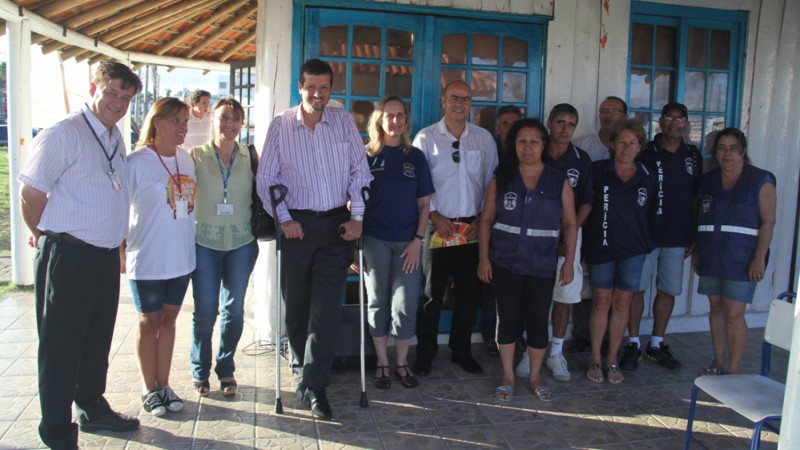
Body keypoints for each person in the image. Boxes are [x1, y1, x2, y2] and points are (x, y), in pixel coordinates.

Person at [19, 61, 142, 449]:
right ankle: (57, 431)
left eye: (126, 98)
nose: (118, 103)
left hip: (103, 257)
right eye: (112, 93)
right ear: (94, 87)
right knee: (60, 347)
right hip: (68, 256)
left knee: (95, 341)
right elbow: (31, 194)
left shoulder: (113, 136)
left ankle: (92, 408)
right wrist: (44, 235)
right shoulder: (63, 134)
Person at [257, 59, 372, 421]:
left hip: (337, 225)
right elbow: (267, 178)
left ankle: (316, 384)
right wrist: (286, 219)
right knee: (297, 309)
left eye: (324, 88)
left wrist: (357, 219)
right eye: (311, 88)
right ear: (300, 87)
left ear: (330, 89)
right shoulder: (281, 126)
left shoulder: (343, 123)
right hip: (298, 227)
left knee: (326, 310)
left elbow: (360, 171)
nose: (318, 94)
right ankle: (301, 368)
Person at [478, 118, 577, 402]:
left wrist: (568, 261)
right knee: (506, 318)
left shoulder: (558, 180)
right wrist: (484, 258)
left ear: (543, 145)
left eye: (534, 141)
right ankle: (508, 375)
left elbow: (570, 224)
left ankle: (535, 376)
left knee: (536, 320)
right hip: (505, 261)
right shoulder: (502, 177)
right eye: (522, 141)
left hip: (541, 263)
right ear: (515, 145)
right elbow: (486, 220)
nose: (528, 147)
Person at [413, 80, 498, 377]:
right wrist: (435, 215)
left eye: (465, 98)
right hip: (438, 228)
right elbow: (418, 185)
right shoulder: (425, 138)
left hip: (472, 229)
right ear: (443, 101)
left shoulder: (484, 139)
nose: (459, 103)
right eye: (453, 97)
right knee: (431, 294)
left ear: (471, 103)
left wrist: (481, 220)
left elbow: (492, 183)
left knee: (467, 294)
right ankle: (425, 352)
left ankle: (461, 351)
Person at [124, 97, 196, 416]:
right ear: (158, 122)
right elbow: (118, 208)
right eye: (176, 120)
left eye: (185, 121)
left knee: (168, 320)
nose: (183, 127)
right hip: (148, 256)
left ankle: (164, 384)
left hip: (180, 256)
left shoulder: (186, 159)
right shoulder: (137, 161)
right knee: (148, 321)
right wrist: (119, 250)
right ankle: (148, 388)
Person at [620, 102, 703, 372]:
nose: (674, 123)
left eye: (680, 119)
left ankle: (656, 343)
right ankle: (632, 342)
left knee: (668, 290)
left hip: (677, 236)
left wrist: (693, 232)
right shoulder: (646, 152)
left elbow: (695, 196)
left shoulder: (693, 154)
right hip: (645, 236)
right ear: (661, 121)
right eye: (669, 117)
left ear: (686, 123)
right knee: (637, 291)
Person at [516, 104, 593, 383]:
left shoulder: (580, 159)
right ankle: (531, 348)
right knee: (533, 295)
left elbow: (586, 203)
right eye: (560, 122)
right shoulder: (535, 151)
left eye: (571, 124)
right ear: (549, 122)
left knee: (563, 296)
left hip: (568, 235)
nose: (565, 128)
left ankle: (555, 352)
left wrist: (567, 235)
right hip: (534, 234)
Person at [362, 95, 434, 389]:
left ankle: (402, 362)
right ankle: (382, 362)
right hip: (374, 240)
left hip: (408, 242)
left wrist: (418, 240)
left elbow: (425, 205)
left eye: (400, 115)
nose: (395, 120)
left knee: (404, 304)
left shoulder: (414, 157)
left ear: (406, 120)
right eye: (389, 115)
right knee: (378, 302)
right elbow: (353, 202)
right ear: (379, 119)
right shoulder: (366, 155)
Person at [190, 98, 259, 397]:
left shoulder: (251, 155)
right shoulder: (195, 155)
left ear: (242, 124)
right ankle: (199, 369)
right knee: (206, 311)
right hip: (205, 243)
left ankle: (226, 367)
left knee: (234, 311)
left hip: (242, 242)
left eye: (236, 118)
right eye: (223, 117)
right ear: (212, 121)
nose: (229, 123)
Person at [693, 127, 776, 376]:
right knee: (716, 307)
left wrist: (760, 257)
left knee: (734, 312)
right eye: (722, 148)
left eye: (733, 148)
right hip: (711, 254)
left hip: (743, 257)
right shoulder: (707, 181)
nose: (727, 154)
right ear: (715, 152)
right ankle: (718, 361)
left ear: (743, 152)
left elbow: (768, 222)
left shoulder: (760, 180)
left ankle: (734, 366)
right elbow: (699, 216)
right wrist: (697, 250)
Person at [585, 119, 655, 384]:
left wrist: (646, 243)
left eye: (633, 142)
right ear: (612, 144)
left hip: (633, 251)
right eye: (622, 142)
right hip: (602, 247)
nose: (627, 147)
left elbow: (652, 214)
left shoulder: (647, 176)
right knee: (601, 302)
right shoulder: (598, 170)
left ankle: (613, 358)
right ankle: (595, 357)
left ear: (640, 147)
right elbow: (586, 205)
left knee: (623, 303)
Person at [481, 104, 523, 357]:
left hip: (521, 232)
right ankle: (490, 336)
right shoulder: (489, 151)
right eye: (504, 124)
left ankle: (517, 335)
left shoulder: (527, 153)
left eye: (513, 124)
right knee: (490, 287)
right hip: (490, 228)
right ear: (497, 128)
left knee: (520, 290)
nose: (509, 129)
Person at [574, 96, 628, 162]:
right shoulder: (580, 145)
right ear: (599, 115)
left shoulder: (631, 148)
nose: (608, 115)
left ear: (625, 117)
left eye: (614, 111)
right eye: (603, 111)